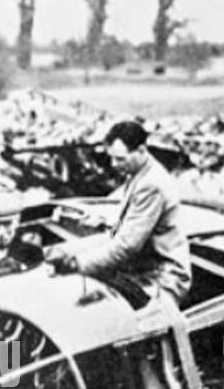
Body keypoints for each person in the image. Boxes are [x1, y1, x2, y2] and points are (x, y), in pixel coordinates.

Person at [45, 120, 191, 308]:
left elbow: (126, 246)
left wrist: (77, 263)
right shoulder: (139, 175)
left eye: (120, 159)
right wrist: (66, 250)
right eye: (112, 158)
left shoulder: (151, 184)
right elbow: (114, 235)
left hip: (161, 277)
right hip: (144, 267)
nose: (114, 164)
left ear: (141, 150)